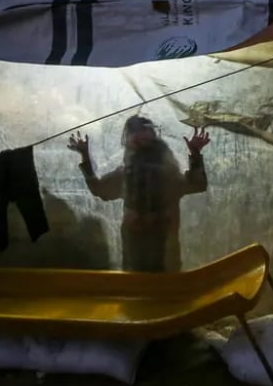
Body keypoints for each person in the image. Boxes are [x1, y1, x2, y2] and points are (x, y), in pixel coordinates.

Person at [67, 116, 211, 273]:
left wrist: (196, 154)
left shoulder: (166, 174)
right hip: (138, 262)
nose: (141, 137)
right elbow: (100, 189)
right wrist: (85, 156)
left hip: (164, 264)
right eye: (136, 132)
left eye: (144, 131)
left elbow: (197, 185)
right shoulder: (127, 175)